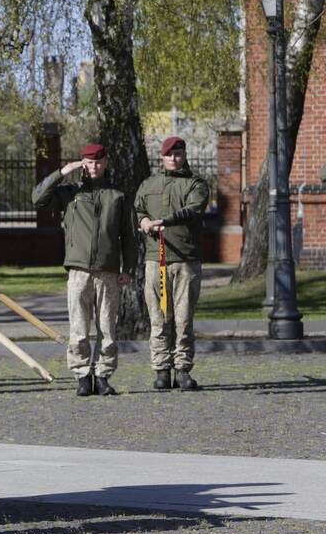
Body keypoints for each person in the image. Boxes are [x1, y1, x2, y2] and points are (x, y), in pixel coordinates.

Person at [33, 143, 137, 396]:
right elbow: (38, 198)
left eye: (98, 162)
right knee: (78, 327)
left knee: (107, 328)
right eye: (89, 162)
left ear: (106, 162)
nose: (94, 167)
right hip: (79, 270)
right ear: (82, 163)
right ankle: (81, 374)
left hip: (109, 270)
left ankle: (102, 375)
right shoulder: (70, 193)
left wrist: (129, 267)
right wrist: (62, 172)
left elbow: (129, 236)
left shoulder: (118, 196)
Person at [135, 136, 210, 391]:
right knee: (158, 318)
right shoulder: (149, 184)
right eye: (169, 155)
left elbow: (194, 209)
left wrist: (163, 221)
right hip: (157, 261)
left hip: (186, 261)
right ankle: (161, 370)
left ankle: (182, 369)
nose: (173, 159)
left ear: (184, 155)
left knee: (183, 319)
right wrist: (145, 222)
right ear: (162, 157)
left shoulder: (196, 184)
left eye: (178, 154)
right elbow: (138, 210)